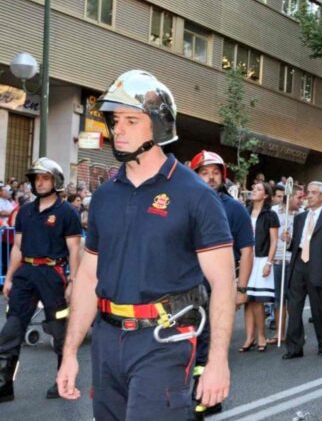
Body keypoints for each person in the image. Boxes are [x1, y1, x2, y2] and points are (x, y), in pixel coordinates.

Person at [56, 70, 235, 419]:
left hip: (164, 339)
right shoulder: (105, 197)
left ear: (158, 125)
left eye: (130, 120)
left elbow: (223, 283)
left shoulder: (195, 195)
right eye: (115, 119)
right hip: (107, 342)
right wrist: (70, 353)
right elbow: (89, 276)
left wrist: (217, 362)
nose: (117, 129)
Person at [0, 158, 82, 402]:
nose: (40, 182)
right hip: (26, 274)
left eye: (45, 178)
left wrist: (74, 282)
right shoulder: (25, 211)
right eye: (37, 178)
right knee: (11, 330)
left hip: (53, 275)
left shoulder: (68, 212)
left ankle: (62, 382)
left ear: (55, 181)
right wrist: (10, 279)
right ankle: (5, 385)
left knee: (59, 332)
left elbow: (74, 249)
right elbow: (17, 247)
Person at [190, 150, 255, 419]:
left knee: (207, 341)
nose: (211, 177)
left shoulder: (234, 209)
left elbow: (247, 250)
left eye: (215, 172)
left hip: (215, 287)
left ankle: (205, 397)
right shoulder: (182, 203)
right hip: (181, 286)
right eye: (204, 172)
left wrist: (241, 289)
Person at [283, 181, 322, 359]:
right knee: (293, 308)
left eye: (314, 192)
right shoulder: (300, 218)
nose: (308, 195)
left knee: (319, 310)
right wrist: (288, 241)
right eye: (308, 192)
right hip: (298, 265)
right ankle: (294, 348)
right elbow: (297, 244)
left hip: (319, 267)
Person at [242, 182, 279, 352]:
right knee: (246, 300)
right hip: (246, 258)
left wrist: (269, 263)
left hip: (262, 258)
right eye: (253, 188)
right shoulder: (245, 211)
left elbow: (274, 241)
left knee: (257, 301)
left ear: (265, 195)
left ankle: (261, 336)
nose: (253, 190)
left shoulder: (270, 215)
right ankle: (249, 337)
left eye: (258, 189)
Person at [271, 183, 304, 345]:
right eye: (298, 197)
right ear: (290, 196)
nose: (301, 200)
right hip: (278, 259)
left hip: (295, 261)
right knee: (279, 298)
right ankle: (279, 333)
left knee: (295, 299)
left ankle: (294, 332)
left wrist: (291, 239)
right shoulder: (275, 212)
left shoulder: (303, 214)